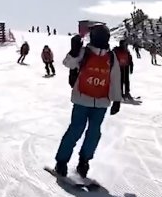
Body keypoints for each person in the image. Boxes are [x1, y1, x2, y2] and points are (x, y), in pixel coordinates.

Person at [53, 25, 123, 182]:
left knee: (93, 133)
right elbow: (68, 63)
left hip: (101, 102)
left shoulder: (111, 58)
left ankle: (84, 161)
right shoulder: (85, 52)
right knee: (76, 130)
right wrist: (74, 51)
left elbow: (115, 80)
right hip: (82, 99)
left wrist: (116, 99)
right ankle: (62, 161)